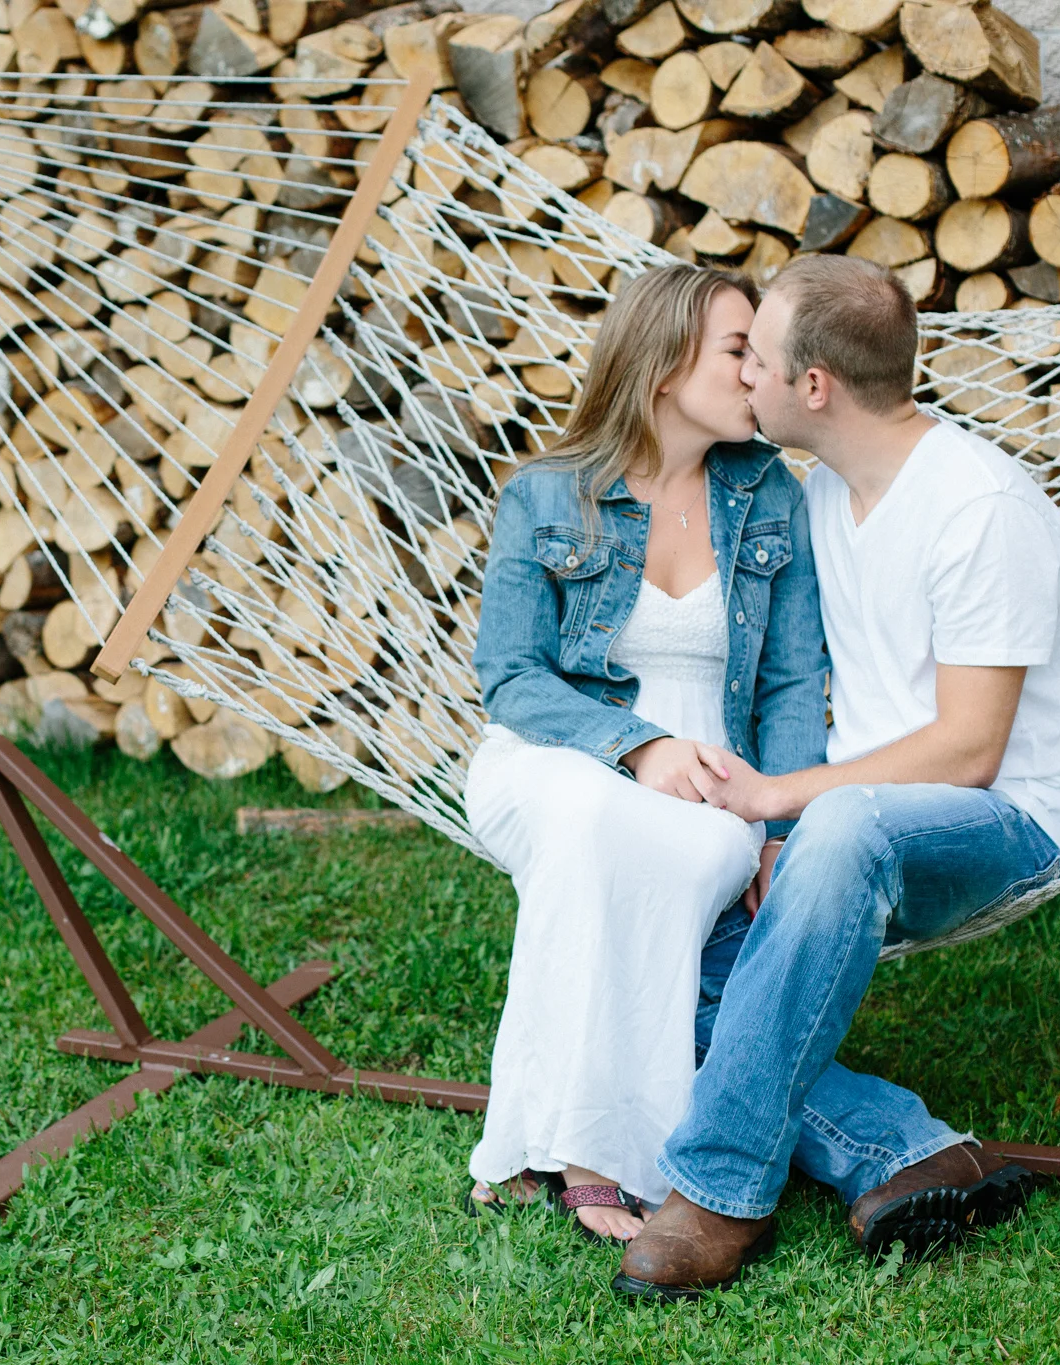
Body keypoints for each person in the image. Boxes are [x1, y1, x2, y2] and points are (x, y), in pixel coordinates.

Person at [613, 255, 1060, 1300]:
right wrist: (779, 827)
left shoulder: (978, 509)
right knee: (679, 946)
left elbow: (971, 750)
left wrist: (785, 803)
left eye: (756, 357)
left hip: (1001, 819)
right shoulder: (824, 491)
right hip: (857, 817)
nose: (740, 374)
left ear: (814, 388)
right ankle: (898, 1151)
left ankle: (714, 1192)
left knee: (840, 833)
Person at [464, 264, 829, 1245]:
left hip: (712, 785)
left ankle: (530, 1137)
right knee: (588, 822)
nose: (760, 372)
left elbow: (793, 682)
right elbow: (509, 676)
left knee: (674, 857)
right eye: (737, 352)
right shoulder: (547, 495)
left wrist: (776, 829)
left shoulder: (767, 498)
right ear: (666, 365)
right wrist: (636, 747)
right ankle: (595, 1162)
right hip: (551, 756)